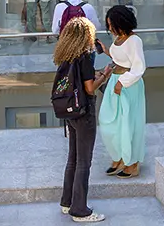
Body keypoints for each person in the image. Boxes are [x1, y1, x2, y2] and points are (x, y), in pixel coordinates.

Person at [53, 17, 113, 223]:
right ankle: (79, 210)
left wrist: (93, 76)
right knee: (84, 162)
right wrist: (104, 75)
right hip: (84, 112)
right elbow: (89, 88)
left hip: (70, 112)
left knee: (73, 158)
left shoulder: (66, 56)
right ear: (86, 35)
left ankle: (67, 202)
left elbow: (78, 80)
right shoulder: (85, 56)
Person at [98, 5, 146, 179]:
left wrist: (122, 83)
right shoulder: (118, 38)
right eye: (109, 24)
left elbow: (138, 67)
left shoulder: (134, 40)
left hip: (128, 85)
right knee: (109, 121)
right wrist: (106, 51)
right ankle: (119, 156)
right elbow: (121, 58)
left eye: (112, 24)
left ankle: (132, 163)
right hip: (115, 82)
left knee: (128, 123)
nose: (110, 28)